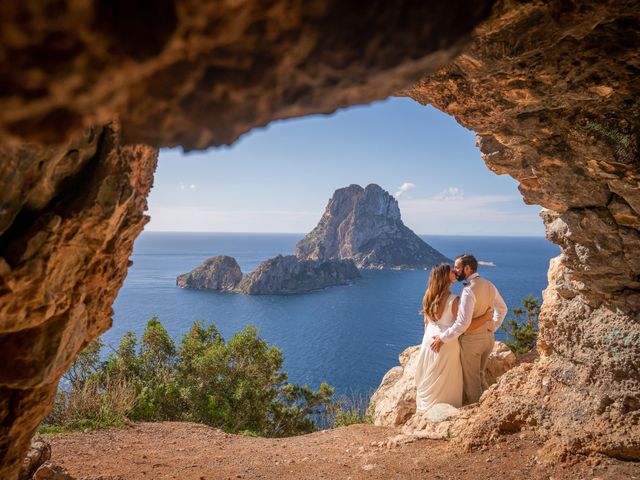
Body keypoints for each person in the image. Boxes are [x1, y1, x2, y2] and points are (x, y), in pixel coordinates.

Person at [430, 253, 508, 405]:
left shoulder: (468, 291)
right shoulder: (489, 285)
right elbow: (503, 308)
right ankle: (492, 407)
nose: (455, 270)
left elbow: (462, 324)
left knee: (472, 383)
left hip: (472, 342)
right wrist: (492, 325)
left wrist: (443, 338)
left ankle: (479, 415)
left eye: (457, 267)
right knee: (480, 376)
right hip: (488, 339)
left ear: (467, 268)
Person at [415, 263, 494, 411]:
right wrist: (485, 317)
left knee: (430, 377)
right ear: (446, 276)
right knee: (445, 383)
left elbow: (426, 323)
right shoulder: (455, 300)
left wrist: (427, 341)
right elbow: (465, 326)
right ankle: (443, 415)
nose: (454, 272)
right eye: (451, 271)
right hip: (446, 344)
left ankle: (426, 412)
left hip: (428, 341)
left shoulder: (428, 296)